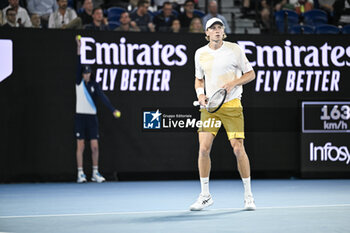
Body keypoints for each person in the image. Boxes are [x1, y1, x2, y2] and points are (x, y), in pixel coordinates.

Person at [190, 17, 256, 211]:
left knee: (238, 148)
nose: (217, 30)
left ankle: (248, 196)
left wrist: (233, 83)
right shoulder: (200, 53)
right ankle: (205, 195)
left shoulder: (234, 49)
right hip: (210, 108)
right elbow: (198, 80)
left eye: (220, 27)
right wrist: (200, 95)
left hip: (232, 104)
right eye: (213, 28)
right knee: (203, 149)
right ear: (207, 33)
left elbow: (250, 74)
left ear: (223, 32)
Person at [75, 36, 120, 183]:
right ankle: (80, 173)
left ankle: (95, 172)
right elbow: (78, 63)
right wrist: (79, 48)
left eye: (88, 72)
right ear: (82, 74)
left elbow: (103, 97)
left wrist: (113, 109)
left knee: (94, 147)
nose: (86, 74)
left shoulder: (94, 85)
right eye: (84, 72)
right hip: (80, 117)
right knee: (81, 146)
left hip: (92, 117)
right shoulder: (78, 82)